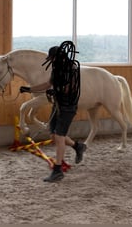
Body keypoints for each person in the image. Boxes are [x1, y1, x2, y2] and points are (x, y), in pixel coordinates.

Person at [19, 41, 87, 182]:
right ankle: (78, 146)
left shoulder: (72, 68)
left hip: (67, 107)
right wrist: (30, 89)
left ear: (59, 57)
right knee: (53, 135)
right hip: (57, 105)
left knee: (59, 137)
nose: (52, 61)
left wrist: (56, 91)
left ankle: (58, 170)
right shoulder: (56, 69)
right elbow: (48, 84)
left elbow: (70, 88)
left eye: (53, 59)